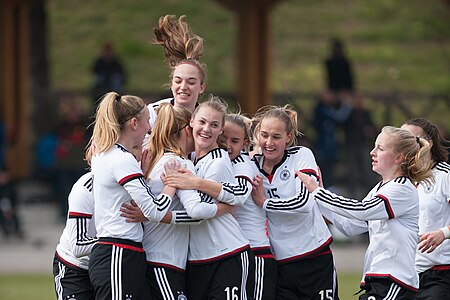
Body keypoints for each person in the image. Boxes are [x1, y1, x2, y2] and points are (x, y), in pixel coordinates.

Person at [297, 126, 434, 299]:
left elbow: (362, 211)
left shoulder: (402, 188)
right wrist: (320, 196)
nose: (372, 152)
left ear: (399, 157)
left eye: (380, 148)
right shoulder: (380, 188)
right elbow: (350, 226)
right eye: (374, 146)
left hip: (395, 281)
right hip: (378, 281)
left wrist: (319, 192)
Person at [120, 103, 234, 300]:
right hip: (163, 261)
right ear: (186, 129)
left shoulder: (158, 160)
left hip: (156, 259)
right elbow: (196, 212)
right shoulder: (178, 163)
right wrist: (223, 208)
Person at [164, 112, 277, 299]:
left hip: (247, 251)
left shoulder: (242, 163)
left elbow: (238, 195)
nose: (228, 145)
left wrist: (195, 183)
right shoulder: (195, 158)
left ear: (245, 143)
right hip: (205, 254)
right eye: (225, 139)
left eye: (235, 141)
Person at [85, 91, 176, 300]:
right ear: (134, 123)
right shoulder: (121, 159)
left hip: (121, 252)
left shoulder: (108, 153)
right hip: (118, 252)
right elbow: (154, 210)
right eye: (147, 122)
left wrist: (141, 175)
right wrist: (171, 183)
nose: (150, 128)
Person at [250, 105, 338, 299]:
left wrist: (265, 203)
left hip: (315, 256)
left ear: (289, 137)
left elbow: (304, 204)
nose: (269, 143)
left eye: (276, 137)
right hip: (281, 263)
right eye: (264, 135)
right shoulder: (251, 166)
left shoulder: (301, 155)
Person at [401, 118, 450, 299]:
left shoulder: (445, 176)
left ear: (427, 144)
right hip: (408, 275)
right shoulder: (401, 181)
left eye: (410, 138)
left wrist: (443, 233)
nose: (404, 144)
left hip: (440, 274)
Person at [147, 15, 206, 129]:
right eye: (178, 81)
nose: (183, 87)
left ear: (201, 87)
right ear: (171, 84)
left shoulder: (209, 117)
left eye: (191, 82)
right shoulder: (153, 113)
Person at [313, 90, 352, 187]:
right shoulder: (322, 109)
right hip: (323, 144)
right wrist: (346, 105)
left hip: (330, 144)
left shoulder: (328, 108)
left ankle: (329, 186)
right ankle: (324, 187)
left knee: (330, 166)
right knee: (324, 166)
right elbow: (340, 117)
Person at [343, 94, 378, 198]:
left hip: (363, 143)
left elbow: (371, 126)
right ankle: (352, 190)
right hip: (352, 143)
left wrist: (368, 131)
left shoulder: (365, 114)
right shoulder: (350, 113)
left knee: (366, 166)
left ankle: (368, 189)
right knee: (352, 168)